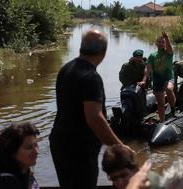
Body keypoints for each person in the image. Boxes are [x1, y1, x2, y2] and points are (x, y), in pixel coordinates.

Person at [49, 29, 133, 189]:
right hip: (79, 150)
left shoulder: (66, 69)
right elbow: (94, 118)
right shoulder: (91, 77)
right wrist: (119, 147)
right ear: (103, 51)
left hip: (59, 143)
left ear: (81, 47)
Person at [0, 122, 39, 189]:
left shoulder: (23, 170)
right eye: (29, 148)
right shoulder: (6, 183)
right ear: (12, 152)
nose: (36, 152)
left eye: (36, 145)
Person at [146, 32, 176, 122]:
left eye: (163, 42)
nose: (161, 44)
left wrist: (166, 38)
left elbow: (170, 48)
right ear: (156, 43)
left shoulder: (168, 53)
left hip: (168, 78)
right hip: (157, 80)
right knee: (160, 103)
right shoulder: (152, 56)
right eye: (159, 42)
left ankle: (173, 109)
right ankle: (162, 121)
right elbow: (148, 68)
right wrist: (147, 77)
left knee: (169, 89)